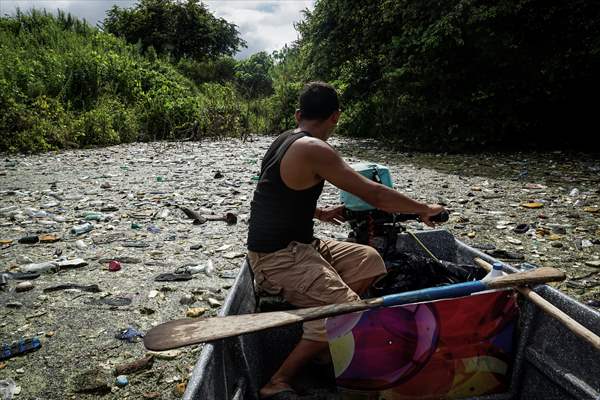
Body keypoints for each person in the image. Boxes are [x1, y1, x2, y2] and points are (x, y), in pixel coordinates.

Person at [247, 81, 445, 399]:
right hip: (277, 258)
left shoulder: (284, 139)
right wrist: (423, 209)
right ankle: (278, 380)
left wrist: (320, 212)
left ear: (299, 115)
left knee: (370, 260)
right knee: (348, 308)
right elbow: (374, 193)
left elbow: (277, 195)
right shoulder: (315, 149)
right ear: (336, 117)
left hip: (304, 247)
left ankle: (326, 340)